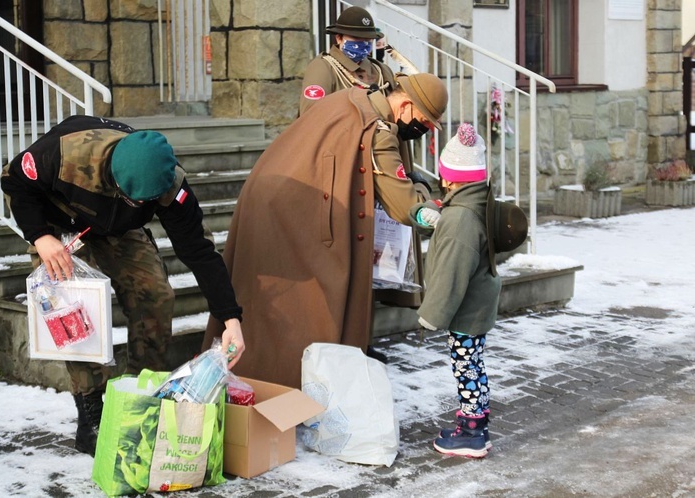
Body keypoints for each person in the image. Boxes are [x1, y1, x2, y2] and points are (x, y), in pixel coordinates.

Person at [0, 115, 245, 456]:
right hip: (59, 224)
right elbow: (14, 181)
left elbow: (199, 252)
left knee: (156, 295)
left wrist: (231, 318)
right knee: (73, 313)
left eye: (148, 202)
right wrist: (40, 237)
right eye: (136, 200)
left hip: (117, 227)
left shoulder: (168, 183)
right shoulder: (63, 154)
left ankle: (142, 398)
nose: (143, 206)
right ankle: (92, 413)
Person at [203, 72, 448, 388]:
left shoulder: (349, 97)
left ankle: (238, 386)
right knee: (308, 315)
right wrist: (426, 196)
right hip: (297, 218)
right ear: (404, 105)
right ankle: (286, 397)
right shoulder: (378, 130)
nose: (424, 130)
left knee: (262, 306)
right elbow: (405, 207)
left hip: (268, 199)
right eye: (425, 122)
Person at [408, 122, 501, 459]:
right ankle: (473, 421)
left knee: (466, 367)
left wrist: (430, 316)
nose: (442, 181)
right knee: (473, 364)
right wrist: (436, 216)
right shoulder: (473, 205)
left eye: (445, 176)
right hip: (477, 304)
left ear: (452, 178)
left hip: (467, 309)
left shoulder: (459, 221)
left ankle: (473, 434)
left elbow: (449, 275)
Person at [299, 6, 396, 115]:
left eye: (368, 39)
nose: (363, 43)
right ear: (339, 38)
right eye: (356, 38)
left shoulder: (382, 71)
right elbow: (312, 116)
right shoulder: (322, 68)